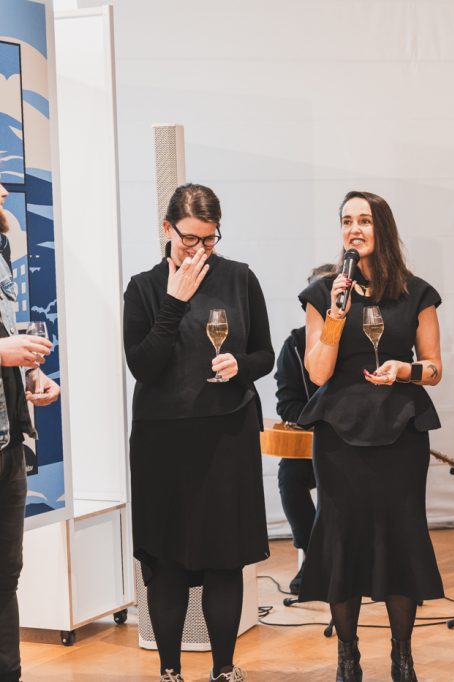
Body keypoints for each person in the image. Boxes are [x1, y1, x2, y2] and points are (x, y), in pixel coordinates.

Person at [123, 184, 273, 682]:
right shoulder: (144, 288)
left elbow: (265, 354)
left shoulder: (240, 278)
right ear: (167, 228)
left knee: (224, 559)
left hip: (227, 436)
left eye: (210, 239)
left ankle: (223, 669)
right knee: (166, 561)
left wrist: (241, 366)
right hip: (162, 443)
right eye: (190, 238)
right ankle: (170, 670)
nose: (200, 250)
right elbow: (144, 366)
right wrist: (174, 301)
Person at [297, 191, 444, 682]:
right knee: (342, 540)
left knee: (401, 537)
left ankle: (402, 657)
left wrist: (405, 370)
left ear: (382, 228)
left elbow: (434, 369)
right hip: (339, 436)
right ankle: (348, 657)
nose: (353, 229)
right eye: (346, 221)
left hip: (401, 432)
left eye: (363, 220)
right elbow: (318, 373)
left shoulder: (416, 293)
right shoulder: (323, 294)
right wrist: (336, 315)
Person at [0, 182, 60, 682]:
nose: (3, 191)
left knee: (6, 574)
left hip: (8, 440)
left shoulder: (2, 249)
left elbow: (8, 335)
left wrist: (30, 374)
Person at [274, 263, 336, 595]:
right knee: (289, 476)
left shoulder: (360, 337)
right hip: (314, 442)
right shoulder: (295, 345)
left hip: (356, 443)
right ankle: (315, 558)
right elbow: (287, 404)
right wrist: (322, 420)